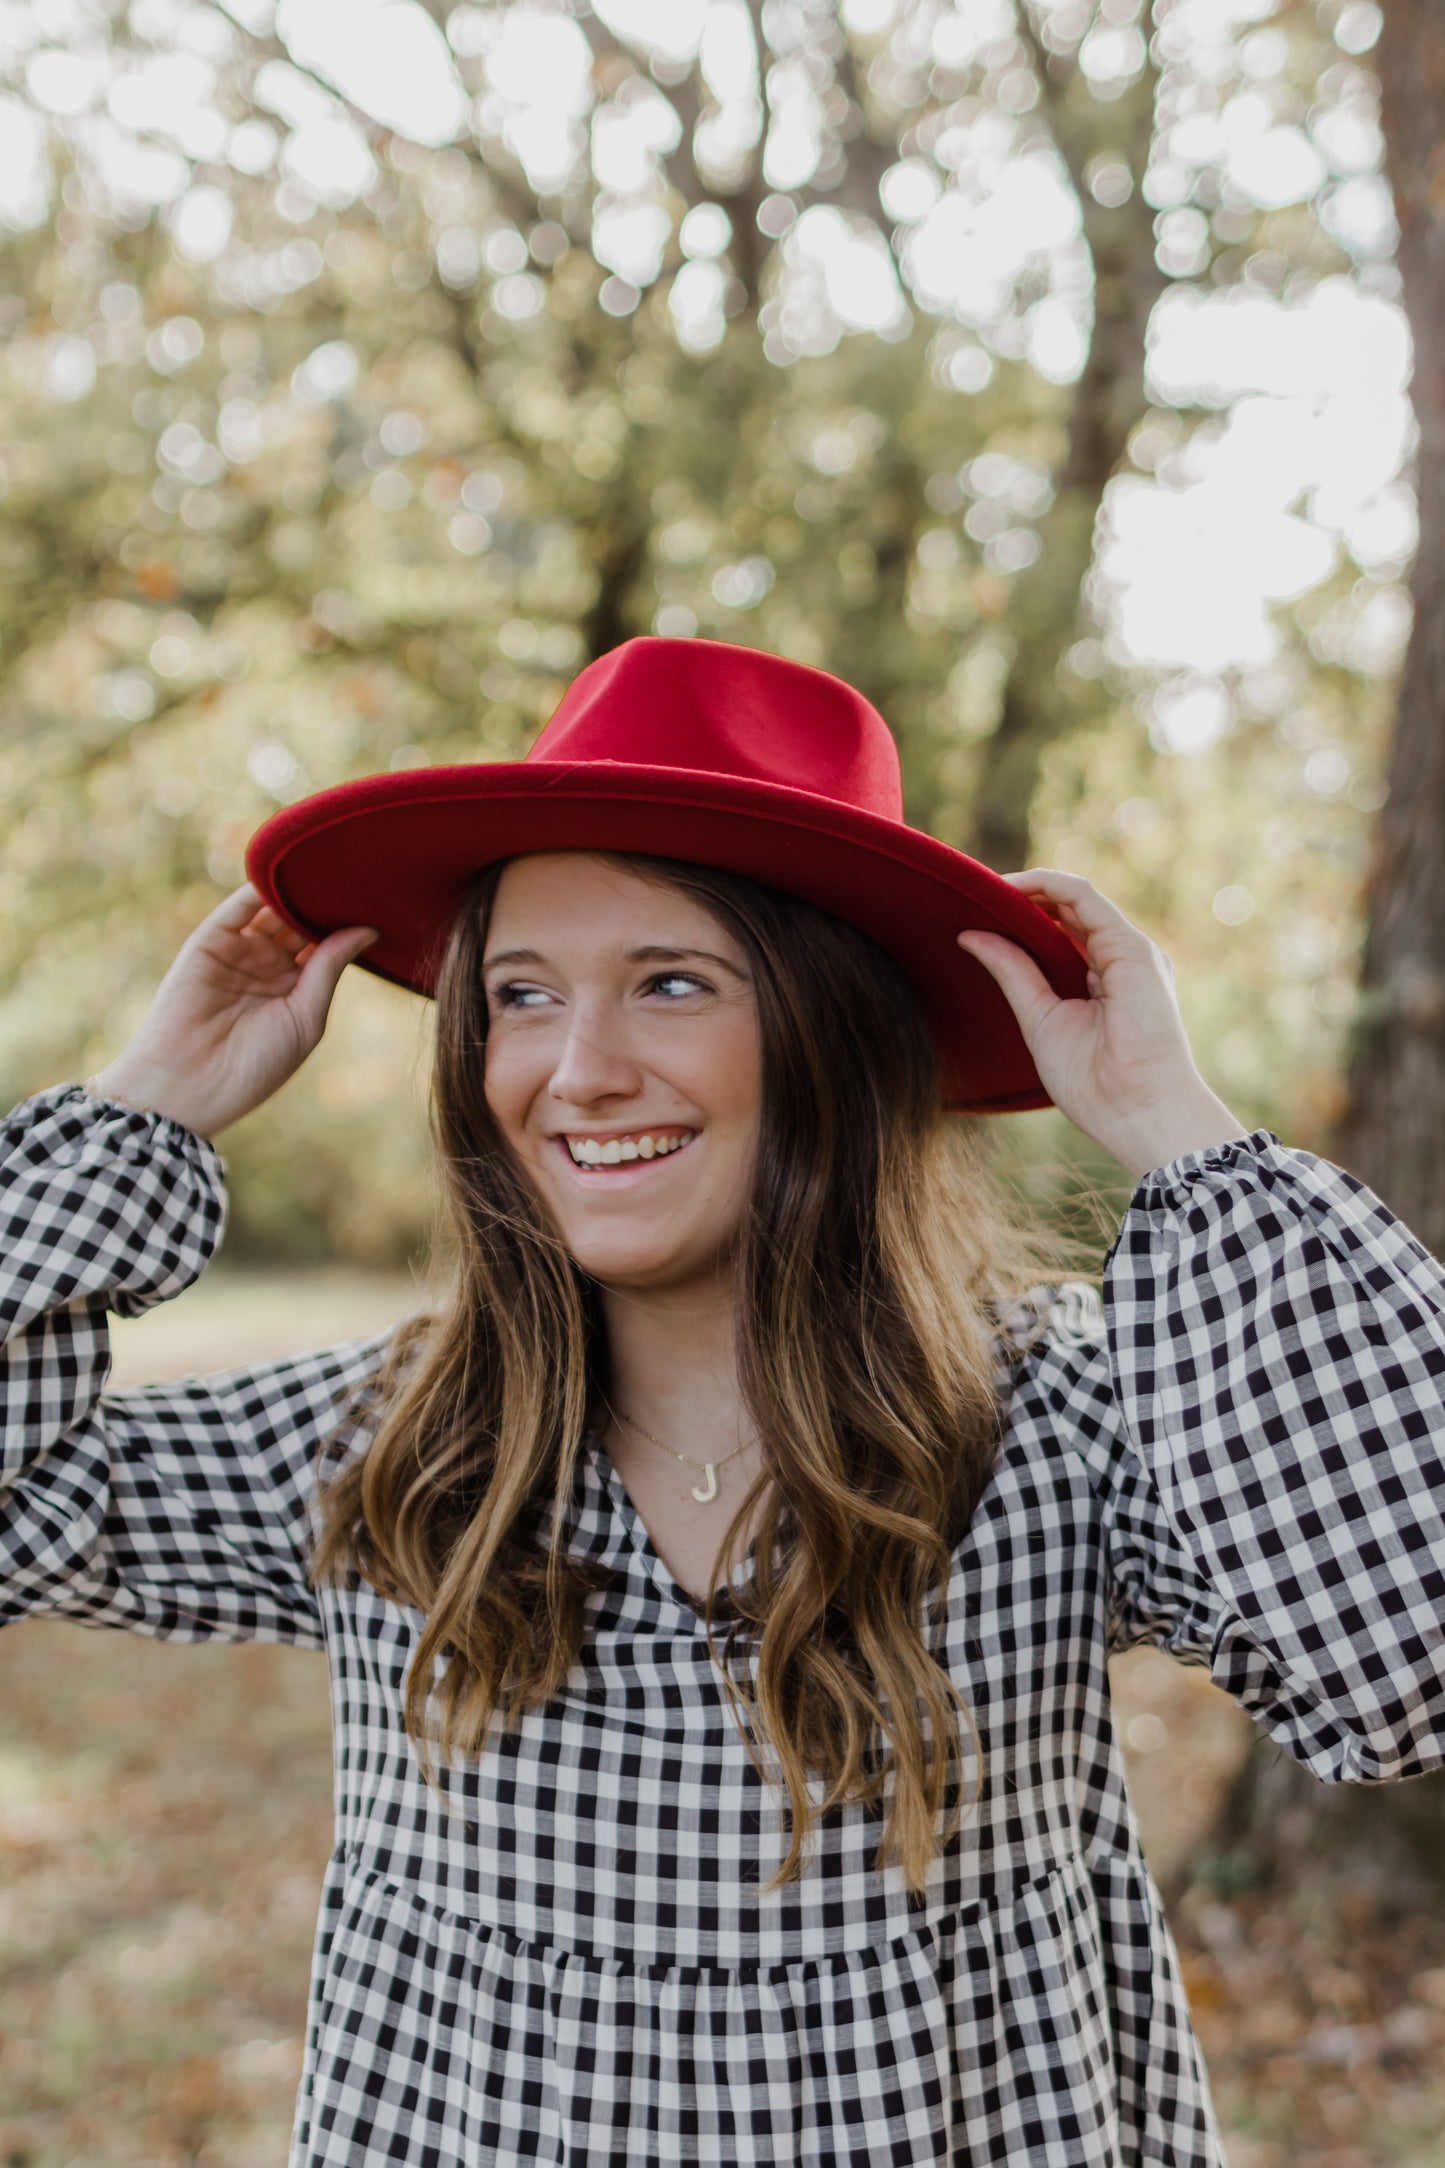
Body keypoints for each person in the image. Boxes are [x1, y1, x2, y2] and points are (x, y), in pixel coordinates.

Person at [3, 636, 1442, 2168]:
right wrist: (140, 1110)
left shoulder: (1055, 1425)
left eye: (672, 983)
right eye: (521, 994)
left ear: (838, 1033)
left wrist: (1178, 1132)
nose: (577, 1069)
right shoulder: (393, 1444)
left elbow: (1405, 1659)